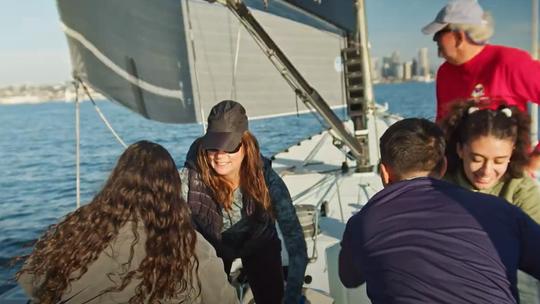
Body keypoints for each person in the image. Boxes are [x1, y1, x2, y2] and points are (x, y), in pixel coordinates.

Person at [339, 118, 540, 304]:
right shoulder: (501, 211)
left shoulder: (363, 223)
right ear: (443, 166)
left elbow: (348, 278)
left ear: (384, 173)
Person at [17, 141, 238, 304]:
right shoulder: (191, 246)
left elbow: (31, 281)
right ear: (171, 188)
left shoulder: (73, 229)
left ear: (117, 180)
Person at [180, 100, 308, 304]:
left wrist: (292, 293)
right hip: (212, 248)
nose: (220, 155)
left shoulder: (268, 180)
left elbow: (296, 244)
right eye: (213, 146)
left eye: (229, 147)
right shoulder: (188, 180)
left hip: (259, 242)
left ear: (245, 144)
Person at [421, 0, 540, 122]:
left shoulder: (511, 62)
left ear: (458, 37)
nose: (435, 41)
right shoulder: (445, 72)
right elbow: (442, 123)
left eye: (438, 35)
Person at [440, 100, 540, 223]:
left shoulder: (521, 189)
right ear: (460, 149)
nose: (486, 171)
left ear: (512, 153)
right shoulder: (439, 184)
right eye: (477, 159)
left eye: (499, 161)